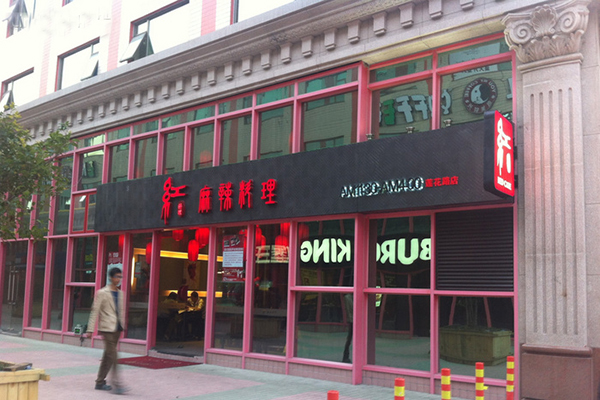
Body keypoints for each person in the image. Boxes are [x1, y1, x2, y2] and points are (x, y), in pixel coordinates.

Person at [85, 267, 128, 395]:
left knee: (108, 356)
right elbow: (95, 311)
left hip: (117, 329)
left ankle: (99, 382)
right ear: (110, 277)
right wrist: (90, 329)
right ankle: (117, 383)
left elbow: (120, 311)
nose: (118, 279)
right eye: (116, 277)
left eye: (120, 277)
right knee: (113, 356)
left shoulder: (121, 293)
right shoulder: (102, 293)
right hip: (107, 329)